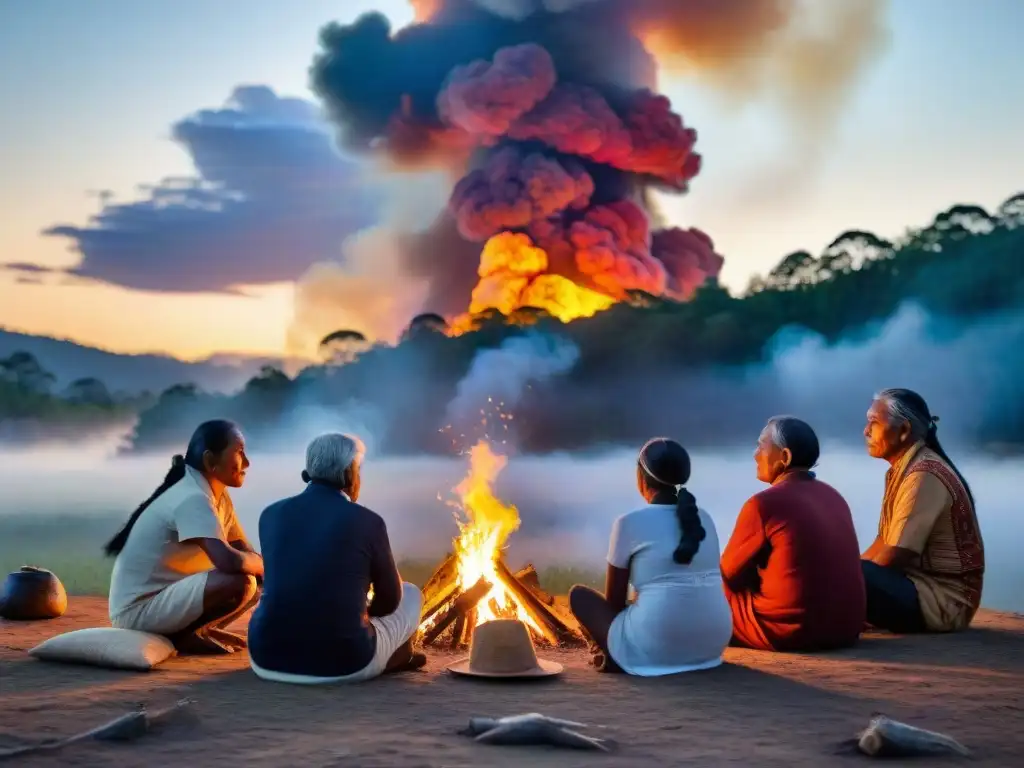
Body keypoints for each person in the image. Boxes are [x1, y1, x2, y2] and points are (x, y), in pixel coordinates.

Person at [247, 433, 425, 684]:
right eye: (358, 470)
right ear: (348, 475)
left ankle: (390, 653)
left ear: (308, 473)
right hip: (344, 664)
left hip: (265, 659)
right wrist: (365, 615)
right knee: (411, 593)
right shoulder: (368, 521)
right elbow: (391, 600)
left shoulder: (270, 514)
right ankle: (397, 656)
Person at [568, 437, 732, 676]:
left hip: (658, 648)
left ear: (641, 477)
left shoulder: (628, 523)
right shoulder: (703, 518)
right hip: (712, 645)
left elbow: (614, 603)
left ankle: (618, 656)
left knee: (579, 596)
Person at [106, 420, 263, 654]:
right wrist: (267, 564)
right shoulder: (193, 498)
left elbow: (245, 551)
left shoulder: (216, 495)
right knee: (240, 580)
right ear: (210, 461)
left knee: (256, 580)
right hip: (136, 612)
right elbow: (229, 561)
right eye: (239, 452)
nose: (247, 462)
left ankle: (201, 630)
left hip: (164, 601)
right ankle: (185, 636)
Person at [721, 416, 865, 651]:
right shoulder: (834, 496)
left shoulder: (762, 504)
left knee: (707, 586)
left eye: (761, 445)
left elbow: (727, 575)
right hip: (846, 628)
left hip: (791, 631)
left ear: (785, 457)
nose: (755, 454)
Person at [861, 388, 985, 633]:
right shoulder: (905, 469)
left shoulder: (924, 474)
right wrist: (843, 572)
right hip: (919, 589)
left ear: (904, 430)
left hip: (943, 603)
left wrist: (849, 581)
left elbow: (897, 555)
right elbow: (882, 543)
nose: (866, 431)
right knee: (843, 570)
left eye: (873, 423)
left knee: (849, 574)